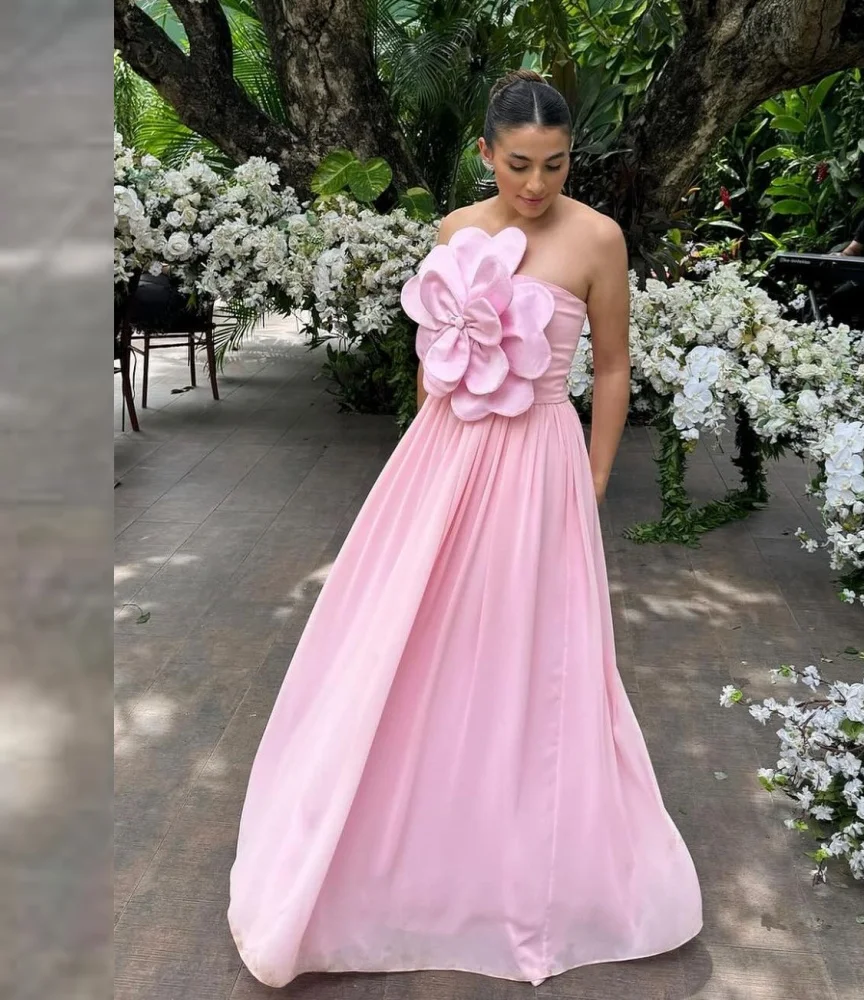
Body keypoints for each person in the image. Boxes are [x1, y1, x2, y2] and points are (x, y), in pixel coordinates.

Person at [228, 68, 703, 989]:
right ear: (487, 154)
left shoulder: (599, 239)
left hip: (539, 467)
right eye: (519, 164)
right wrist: (425, 454)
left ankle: (521, 851)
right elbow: (436, 355)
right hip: (446, 456)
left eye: (555, 166)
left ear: (573, 161)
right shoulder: (455, 230)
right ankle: (405, 832)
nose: (535, 185)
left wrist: (595, 476)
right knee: (417, 634)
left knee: (530, 644)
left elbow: (610, 371)